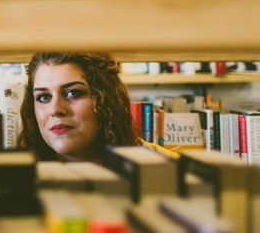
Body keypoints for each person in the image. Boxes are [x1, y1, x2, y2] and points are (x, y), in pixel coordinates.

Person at [17, 52, 178, 163]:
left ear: (105, 99)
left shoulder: (163, 167)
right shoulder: (18, 175)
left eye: (73, 93)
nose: (56, 109)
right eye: (44, 97)